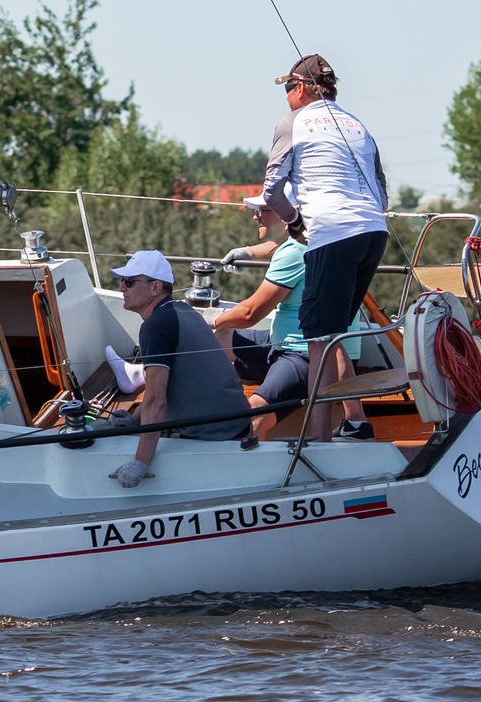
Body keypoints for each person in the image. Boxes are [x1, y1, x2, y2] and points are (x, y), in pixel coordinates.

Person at [246, 55, 388, 439]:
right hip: (374, 233)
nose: (286, 97)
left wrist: (294, 223)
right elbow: (381, 193)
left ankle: (320, 442)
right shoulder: (358, 124)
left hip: (333, 233)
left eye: (288, 88)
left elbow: (272, 190)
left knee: (317, 344)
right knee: (336, 334)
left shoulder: (292, 122)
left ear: (302, 88)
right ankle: (355, 424)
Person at [209, 213, 374, 441]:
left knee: (254, 418)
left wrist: (211, 318)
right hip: (285, 344)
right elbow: (279, 245)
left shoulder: (294, 253)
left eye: (265, 209)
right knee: (214, 338)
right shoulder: (316, 242)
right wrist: (248, 252)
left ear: (287, 219)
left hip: (305, 355)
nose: (256, 216)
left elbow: (249, 314)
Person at [107, 248, 249, 487]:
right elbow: (158, 388)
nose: (122, 288)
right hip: (238, 426)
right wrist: (134, 420)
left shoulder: (155, 325)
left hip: (217, 438)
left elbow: (156, 401)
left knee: (100, 437)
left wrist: (140, 463)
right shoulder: (183, 311)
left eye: (129, 281)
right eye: (122, 281)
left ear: (155, 288)